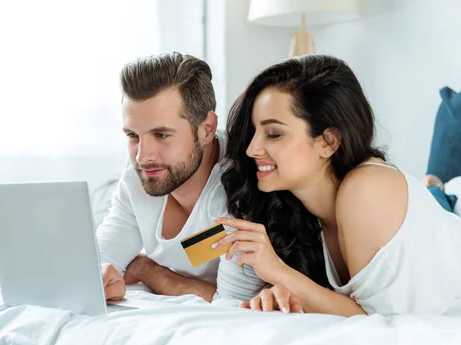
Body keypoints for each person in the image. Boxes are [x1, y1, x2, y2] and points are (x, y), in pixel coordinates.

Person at [213, 54, 461, 316]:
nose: (252, 149)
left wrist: (278, 272)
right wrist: (282, 293)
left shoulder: (366, 190)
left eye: (274, 134)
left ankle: (438, 187)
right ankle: (435, 187)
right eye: (254, 133)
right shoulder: (297, 212)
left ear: (328, 142)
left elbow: (379, 324)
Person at [97, 52, 250, 303]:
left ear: (207, 129)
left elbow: (233, 303)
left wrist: (146, 269)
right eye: (133, 135)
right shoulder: (141, 174)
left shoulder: (243, 187)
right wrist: (104, 275)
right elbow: (100, 263)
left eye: (162, 135)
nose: (142, 157)